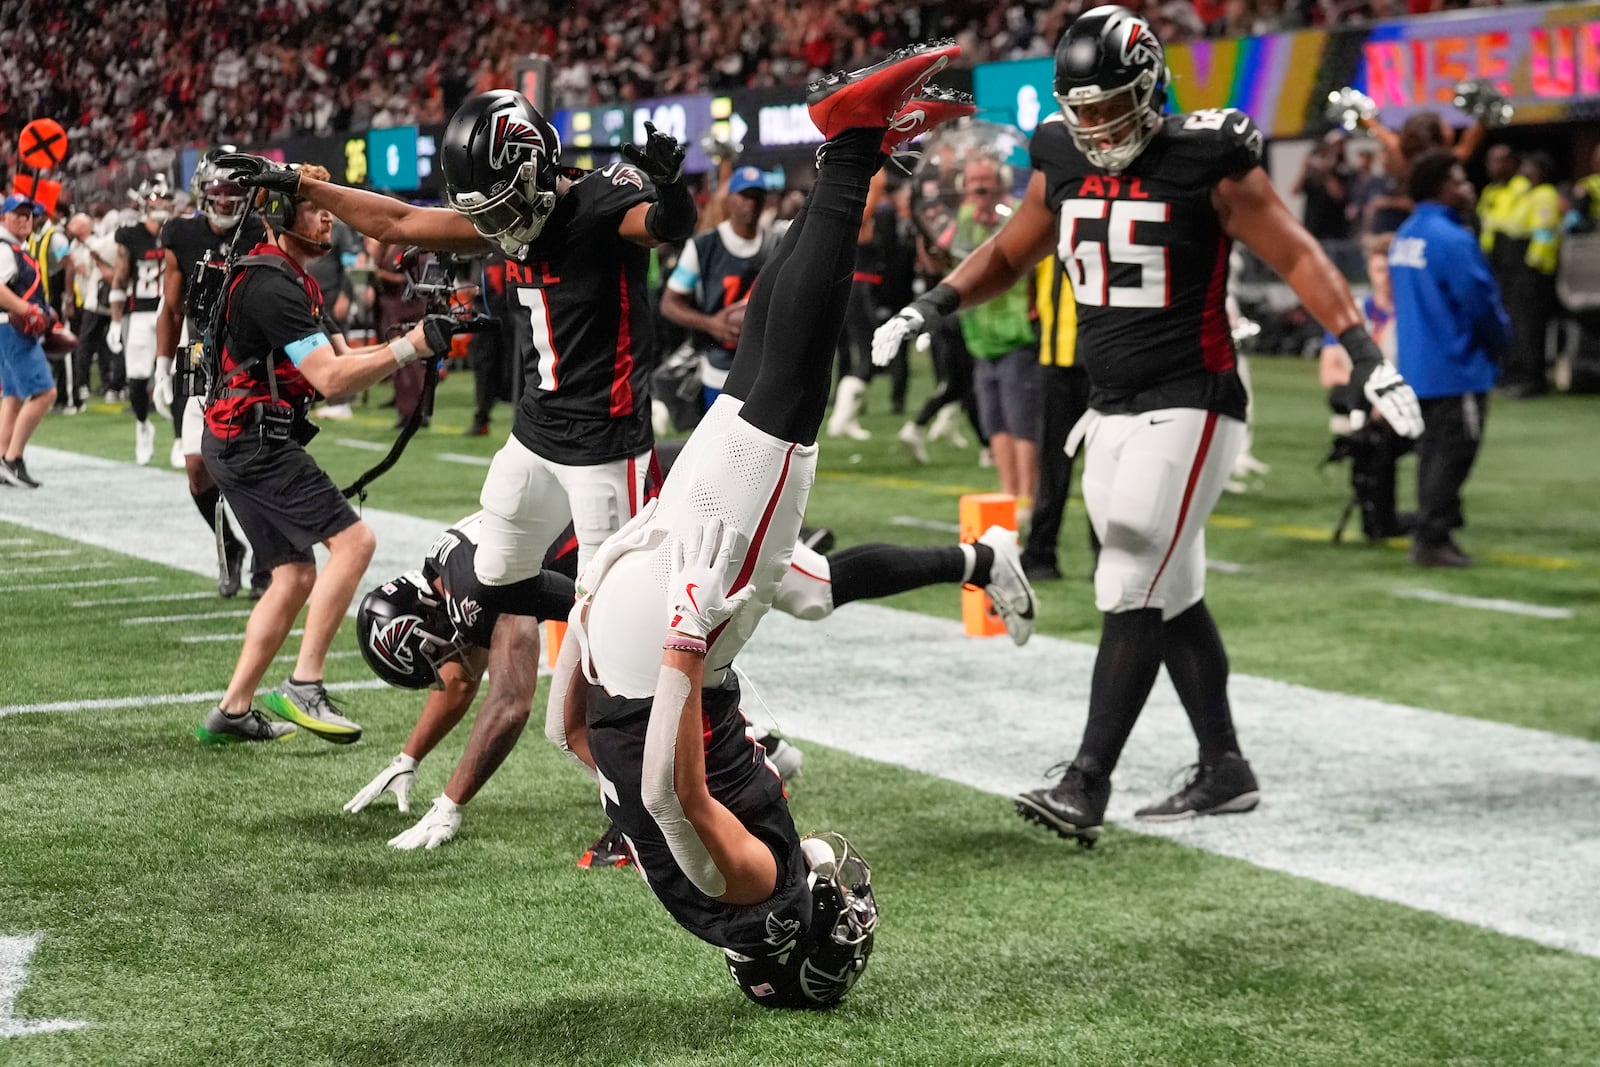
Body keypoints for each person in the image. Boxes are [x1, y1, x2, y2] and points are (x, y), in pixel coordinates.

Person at [872, 6, 1424, 846]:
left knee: (1128, 572)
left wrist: (1366, 352)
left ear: (1150, 87)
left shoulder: (1210, 158)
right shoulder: (1056, 155)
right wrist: (931, 305)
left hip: (1195, 396)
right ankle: (1225, 766)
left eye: (1109, 106)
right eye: (1081, 109)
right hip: (1110, 404)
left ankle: (1086, 780)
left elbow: (1300, 256)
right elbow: (1013, 250)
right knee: (1171, 591)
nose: (1095, 125)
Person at [545, 45, 970, 1008]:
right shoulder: (704, 904)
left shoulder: (753, 896)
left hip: (672, 634)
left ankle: (853, 144)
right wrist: (595, 586)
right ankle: (842, 159)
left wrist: (688, 640)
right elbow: (565, 732)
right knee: (752, 398)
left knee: (788, 400)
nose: (841, 894)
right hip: (621, 635)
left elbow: (668, 794)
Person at [348, 456, 1034, 852]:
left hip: (664, 516)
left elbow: (507, 699)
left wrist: (452, 802)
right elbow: (468, 680)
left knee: (787, 600)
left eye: (436, 660)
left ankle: (981, 556)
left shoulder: (470, 587)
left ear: (428, 628)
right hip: (648, 533)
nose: (450, 673)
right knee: (786, 602)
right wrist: (410, 755)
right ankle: (978, 557)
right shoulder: (455, 576)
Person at [225, 89, 701, 598]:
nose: (496, 228)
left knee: (611, 600)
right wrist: (303, 186)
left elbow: (664, 225)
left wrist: (671, 187)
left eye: (501, 208)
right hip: (535, 431)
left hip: (606, 443)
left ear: (536, 168)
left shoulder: (602, 204)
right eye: (486, 213)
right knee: (494, 574)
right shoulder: (512, 212)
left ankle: (672, 650)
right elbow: (397, 221)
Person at [192, 165, 463, 745]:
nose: (327, 212)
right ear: (279, 215)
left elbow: (347, 362)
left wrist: (421, 335)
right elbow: (333, 380)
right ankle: (304, 685)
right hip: (252, 438)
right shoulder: (272, 285)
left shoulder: (294, 280)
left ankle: (231, 710)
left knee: (292, 575)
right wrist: (411, 345)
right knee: (356, 542)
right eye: (312, 203)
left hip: (237, 438)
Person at [1389, 151, 1511, 568]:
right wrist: (1503, 344)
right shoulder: (1452, 239)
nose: (1468, 187)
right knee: (1453, 453)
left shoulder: (1406, 235)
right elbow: (1480, 303)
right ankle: (1432, 537)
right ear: (1440, 187)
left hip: (1418, 366)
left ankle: (1432, 529)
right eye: (1459, 180)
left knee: (1432, 453)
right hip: (1456, 367)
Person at [156, 152, 266, 598]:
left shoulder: (263, 229)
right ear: (203, 193)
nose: (225, 201)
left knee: (256, 462)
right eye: (218, 193)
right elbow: (172, 306)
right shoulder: (180, 233)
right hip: (198, 354)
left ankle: (266, 552)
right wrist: (163, 367)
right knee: (198, 468)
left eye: (234, 192)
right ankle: (229, 547)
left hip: (253, 355)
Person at [659, 164, 773, 410]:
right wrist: (712, 324)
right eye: (744, 196)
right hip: (718, 366)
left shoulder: (776, 243)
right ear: (730, 199)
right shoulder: (704, 247)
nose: (750, 204)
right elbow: (669, 303)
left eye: (757, 197)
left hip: (765, 366)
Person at [111, 177, 176, 466]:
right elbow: (120, 276)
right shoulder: (129, 235)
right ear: (143, 201)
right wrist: (115, 320)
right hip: (140, 313)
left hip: (173, 312)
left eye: (165, 198)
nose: (161, 203)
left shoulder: (179, 230)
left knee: (177, 377)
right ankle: (142, 424)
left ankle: (179, 438)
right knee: (137, 379)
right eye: (155, 198)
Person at [0, 195, 58, 489]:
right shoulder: (5, 248)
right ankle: (14, 459)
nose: (24, 219)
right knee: (44, 393)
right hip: (12, 329)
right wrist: (28, 310)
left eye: (29, 214)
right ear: (3, 217)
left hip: (8, 329)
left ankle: (2, 459)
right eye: (17, 214)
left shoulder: (15, 247)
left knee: (12, 395)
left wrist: (45, 312)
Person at [1499, 152, 1561, 399]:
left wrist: (1533, 267)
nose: (1524, 171)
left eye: (1529, 167)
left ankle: (1534, 378)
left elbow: (1544, 232)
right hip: (1517, 266)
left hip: (1532, 270)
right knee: (1520, 325)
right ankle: (1520, 374)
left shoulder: (1545, 194)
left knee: (1531, 326)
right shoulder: (1527, 193)